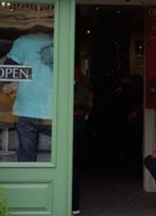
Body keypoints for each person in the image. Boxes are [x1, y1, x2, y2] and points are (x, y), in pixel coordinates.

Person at [3, 31, 54, 162]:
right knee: (62, 154)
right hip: (53, 108)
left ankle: (26, 181)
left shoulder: (22, 41)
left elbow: (10, 69)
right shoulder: (58, 41)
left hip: (26, 108)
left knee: (26, 156)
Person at [72, 65, 93, 215]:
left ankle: (72, 202)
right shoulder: (82, 76)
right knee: (72, 161)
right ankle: (74, 204)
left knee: (68, 162)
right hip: (79, 118)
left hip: (71, 118)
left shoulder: (68, 71)